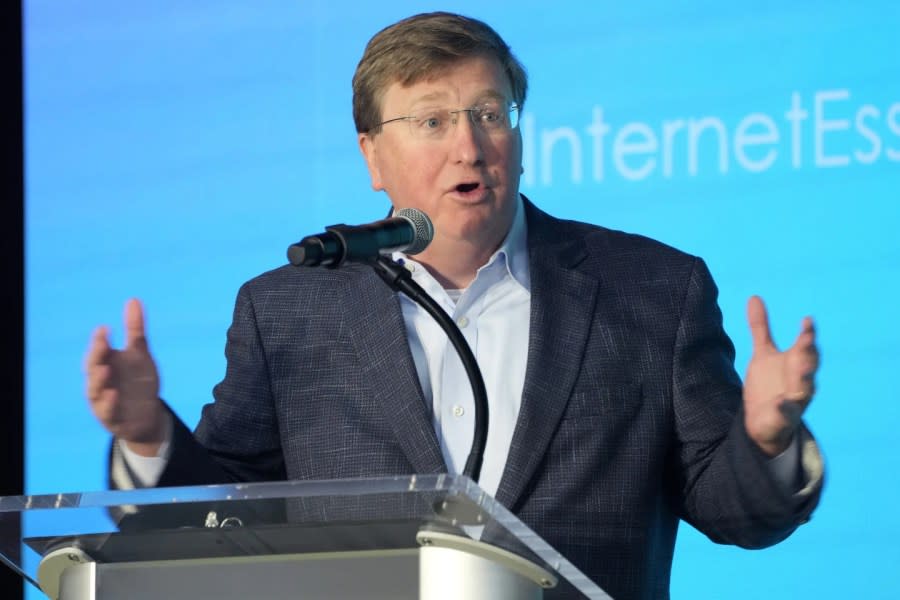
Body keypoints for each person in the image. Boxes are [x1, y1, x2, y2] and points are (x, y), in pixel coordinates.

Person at [85, 12, 823, 600]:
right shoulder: (288, 315)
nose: (469, 147)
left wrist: (764, 440)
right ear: (373, 157)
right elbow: (220, 520)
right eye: (432, 120)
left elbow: (738, 514)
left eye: (490, 114)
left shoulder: (652, 290)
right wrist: (149, 436)